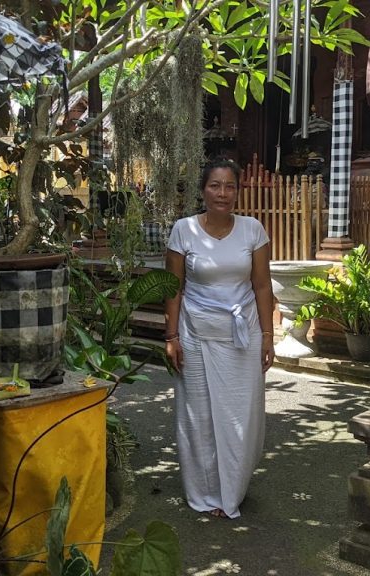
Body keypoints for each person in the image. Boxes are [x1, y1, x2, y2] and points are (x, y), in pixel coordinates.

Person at [163, 158, 274, 519]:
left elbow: (261, 285)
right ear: (202, 190)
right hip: (194, 335)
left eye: (229, 186)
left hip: (242, 337)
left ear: (238, 192)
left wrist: (269, 336)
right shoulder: (183, 230)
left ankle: (233, 489)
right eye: (215, 185)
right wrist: (171, 335)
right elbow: (173, 287)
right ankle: (205, 493)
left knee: (241, 416)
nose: (222, 193)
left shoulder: (252, 230)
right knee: (198, 417)